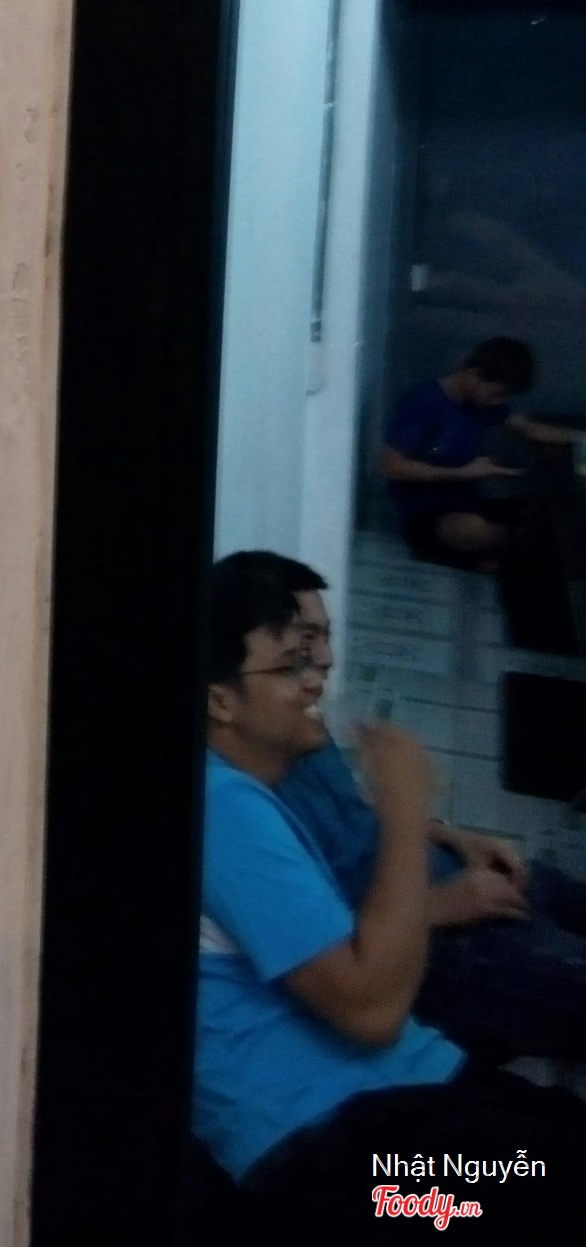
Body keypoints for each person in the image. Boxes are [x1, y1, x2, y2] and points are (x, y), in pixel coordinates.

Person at [196, 550, 586, 1241]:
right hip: (358, 1166)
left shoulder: (253, 786)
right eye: (289, 667)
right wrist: (405, 803)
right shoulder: (224, 809)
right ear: (220, 699)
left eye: (316, 654)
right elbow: (370, 1009)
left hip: (403, 1105)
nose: (315, 679)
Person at [276, 560, 586, 1064]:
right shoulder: (235, 810)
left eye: (323, 637)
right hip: (439, 944)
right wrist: (442, 904)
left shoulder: (290, 723)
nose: (325, 661)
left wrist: (455, 838)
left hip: (455, 878)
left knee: (557, 890)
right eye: (303, 644)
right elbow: (322, 958)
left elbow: (351, 807)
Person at [379, 336, 577, 570]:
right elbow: (391, 466)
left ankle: (509, 554)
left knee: (547, 513)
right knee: (474, 531)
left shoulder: (480, 403)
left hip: (468, 500)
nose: (498, 402)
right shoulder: (423, 402)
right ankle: (504, 554)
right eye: (496, 394)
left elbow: (530, 428)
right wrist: (464, 473)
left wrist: (579, 438)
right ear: (474, 374)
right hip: (425, 512)